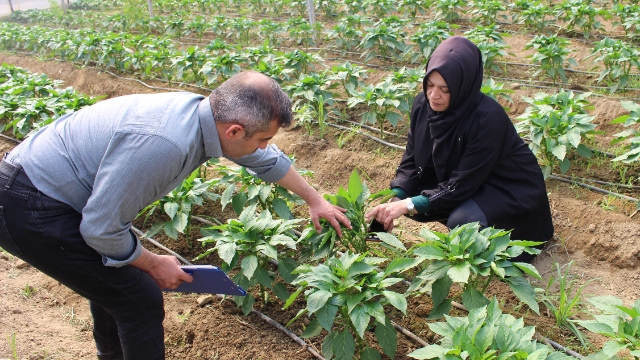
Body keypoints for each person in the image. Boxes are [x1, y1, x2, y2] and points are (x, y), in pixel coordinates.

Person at [0, 71, 351, 360]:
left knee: (114, 283)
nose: (264, 147)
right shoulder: (164, 144)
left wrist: (314, 199)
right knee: (139, 298)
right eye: (262, 138)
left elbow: (265, 160)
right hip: (28, 204)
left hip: (42, 189)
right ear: (234, 131)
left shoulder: (203, 115)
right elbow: (102, 230)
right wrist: (152, 263)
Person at [366, 36, 553, 254]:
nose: (434, 96)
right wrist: (394, 201)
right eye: (430, 85)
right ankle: (470, 232)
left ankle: (496, 255)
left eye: (445, 89)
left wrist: (407, 205)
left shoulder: (487, 118)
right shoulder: (422, 105)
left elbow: (461, 184)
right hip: (467, 181)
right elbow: (411, 160)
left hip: (508, 190)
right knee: (414, 197)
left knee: (463, 221)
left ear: (463, 85)